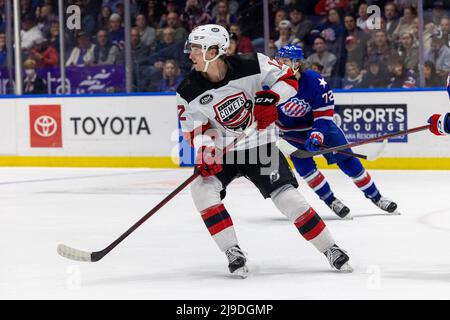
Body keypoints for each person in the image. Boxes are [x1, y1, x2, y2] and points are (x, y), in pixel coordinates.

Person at [177, 24, 353, 278]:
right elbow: (195, 129)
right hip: (223, 151)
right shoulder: (187, 91)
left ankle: (331, 248)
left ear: (214, 50)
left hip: (259, 145)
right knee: (202, 190)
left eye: (196, 48)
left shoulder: (252, 64)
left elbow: (289, 80)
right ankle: (232, 250)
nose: (190, 54)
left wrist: (271, 98)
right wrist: (205, 151)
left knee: (288, 198)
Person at [275, 44, 398, 219]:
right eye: (278, 60)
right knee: (306, 169)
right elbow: (263, 112)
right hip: (291, 134)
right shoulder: (270, 83)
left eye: (285, 61)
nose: (280, 64)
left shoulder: (314, 82)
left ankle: (376, 197)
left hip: (319, 126)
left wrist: (317, 133)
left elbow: (324, 115)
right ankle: (330, 200)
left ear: (296, 63)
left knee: (347, 160)